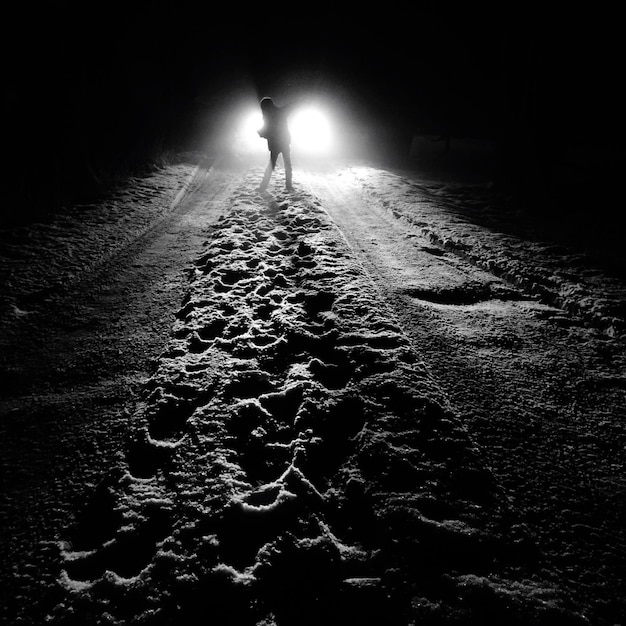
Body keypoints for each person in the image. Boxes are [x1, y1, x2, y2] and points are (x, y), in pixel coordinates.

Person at [257, 97, 297, 192]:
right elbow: (289, 107)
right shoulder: (280, 112)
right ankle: (289, 186)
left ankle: (263, 186)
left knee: (272, 164)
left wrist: (261, 133)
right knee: (287, 164)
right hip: (284, 141)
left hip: (275, 143)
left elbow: (267, 131)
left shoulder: (268, 116)